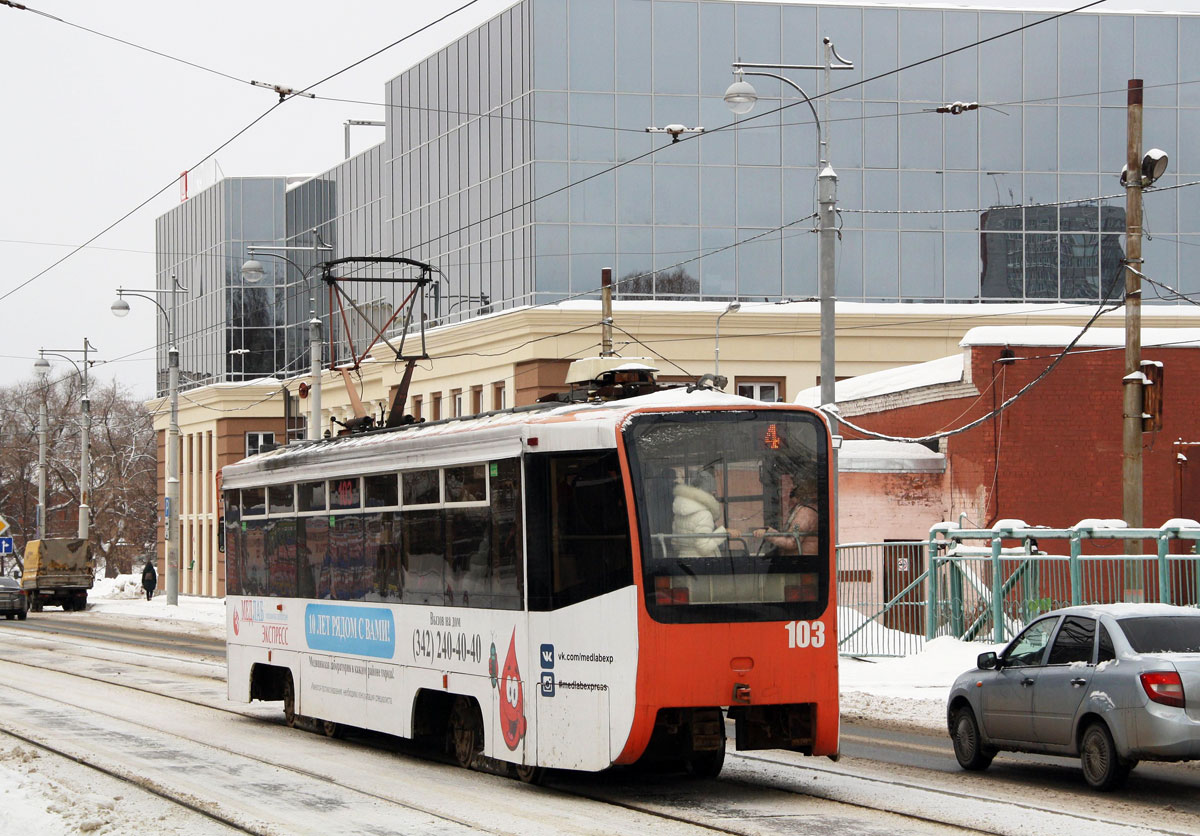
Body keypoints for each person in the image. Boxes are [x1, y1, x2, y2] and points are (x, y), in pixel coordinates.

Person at [671, 470, 736, 558]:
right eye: (714, 492)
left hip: (683, 560)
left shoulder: (678, 514)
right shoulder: (704, 515)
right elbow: (704, 548)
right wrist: (724, 532)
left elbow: (675, 544)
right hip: (703, 564)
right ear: (709, 493)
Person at [757, 481, 819, 556]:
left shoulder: (804, 514)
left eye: (790, 497)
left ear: (798, 498)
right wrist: (769, 531)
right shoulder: (805, 511)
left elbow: (792, 541)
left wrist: (768, 535)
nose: (788, 502)